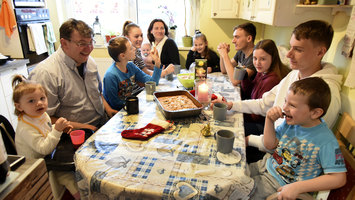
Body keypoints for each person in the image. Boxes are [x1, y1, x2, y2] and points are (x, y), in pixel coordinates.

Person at [213, 20, 343, 161]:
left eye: (298, 49)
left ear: (320, 52)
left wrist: (251, 140)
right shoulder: (295, 74)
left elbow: (297, 145)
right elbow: (264, 103)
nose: (288, 55)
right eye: (291, 47)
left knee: (221, 146)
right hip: (269, 140)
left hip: (279, 159)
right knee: (220, 129)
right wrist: (233, 105)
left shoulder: (326, 93)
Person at [249, 77, 346, 199]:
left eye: (292, 105)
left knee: (238, 193)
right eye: (285, 101)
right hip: (265, 165)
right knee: (234, 176)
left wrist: (297, 187)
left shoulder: (325, 141)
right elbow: (269, 145)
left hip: (279, 184)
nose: (284, 108)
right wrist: (269, 120)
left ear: (315, 113)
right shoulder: (291, 123)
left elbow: (339, 178)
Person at [29, 18, 113, 132]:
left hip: (100, 123)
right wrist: (84, 127)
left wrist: (108, 109)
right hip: (71, 134)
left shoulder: (90, 62)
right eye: (82, 44)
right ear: (64, 43)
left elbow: (98, 93)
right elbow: (43, 119)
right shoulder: (46, 73)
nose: (89, 49)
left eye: (91, 42)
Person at [12, 75, 80, 199]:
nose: (39, 103)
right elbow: (44, 148)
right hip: (37, 166)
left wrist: (60, 129)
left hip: (50, 156)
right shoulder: (25, 128)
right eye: (31, 101)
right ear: (19, 106)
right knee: (69, 177)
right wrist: (57, 130)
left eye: (42, 98)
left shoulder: (42, 115)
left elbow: (48, 131)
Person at [243, 39, 291, 163]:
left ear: (273, 58)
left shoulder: (272, 79)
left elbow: (257, 113)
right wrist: (244, 77)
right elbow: (250, 93)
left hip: (263, 126)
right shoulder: (262, 72)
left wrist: (241, 114)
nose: (257, 63)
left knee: (235, 128)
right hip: (256, 118)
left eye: (262, 59)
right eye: (255, 58)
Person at [103, 36, 162, 111]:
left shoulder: (131, 66)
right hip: (119, 112)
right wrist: (137, 103)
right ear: (122, 55)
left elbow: (153, 83)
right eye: (131, 48)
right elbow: (115, 103)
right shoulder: (110, 75)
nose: (135, 49)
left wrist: (157, 63)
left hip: (131, 106)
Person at [217, 22, 257, 99]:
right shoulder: (241, 52)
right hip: (241, 92)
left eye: (237, 37)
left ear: (249, 38)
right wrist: (223, 54)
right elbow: (224, 70)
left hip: (248, 97)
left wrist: (225, 55)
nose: (233, 41)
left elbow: (235, 80)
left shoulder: (255, 58)